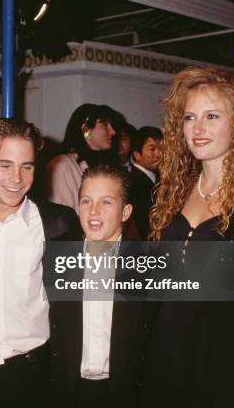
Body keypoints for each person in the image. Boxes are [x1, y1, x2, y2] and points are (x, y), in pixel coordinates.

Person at [143, 66, 234, 407]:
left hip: (227, 358)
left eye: (211, 116)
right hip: (166, 352)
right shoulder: (173, 191)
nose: (197, 129)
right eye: (189, 117)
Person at [0, 119, 81, 408]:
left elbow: (76, 299)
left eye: (27, 166)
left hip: (33, 373)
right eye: (5, 165)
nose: (17, 178)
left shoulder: (58, 223)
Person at [49, 164, 157, 408]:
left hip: (125, 393)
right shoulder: (55, 259)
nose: (93, 211)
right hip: (67, 392)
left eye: (106, 202)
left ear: (126, 212)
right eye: (86, 201)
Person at [47, 104, 122, 213]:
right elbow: (61, 218)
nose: (113, 132)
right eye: (105, 124)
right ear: (85, 129)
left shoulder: (108, 165)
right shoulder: (61, 166)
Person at [129, 126, 162, 239]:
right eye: (152, 149)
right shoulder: (132, 183)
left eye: (161, 149)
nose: (158, 154)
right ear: (137, 154)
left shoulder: (159, 177)